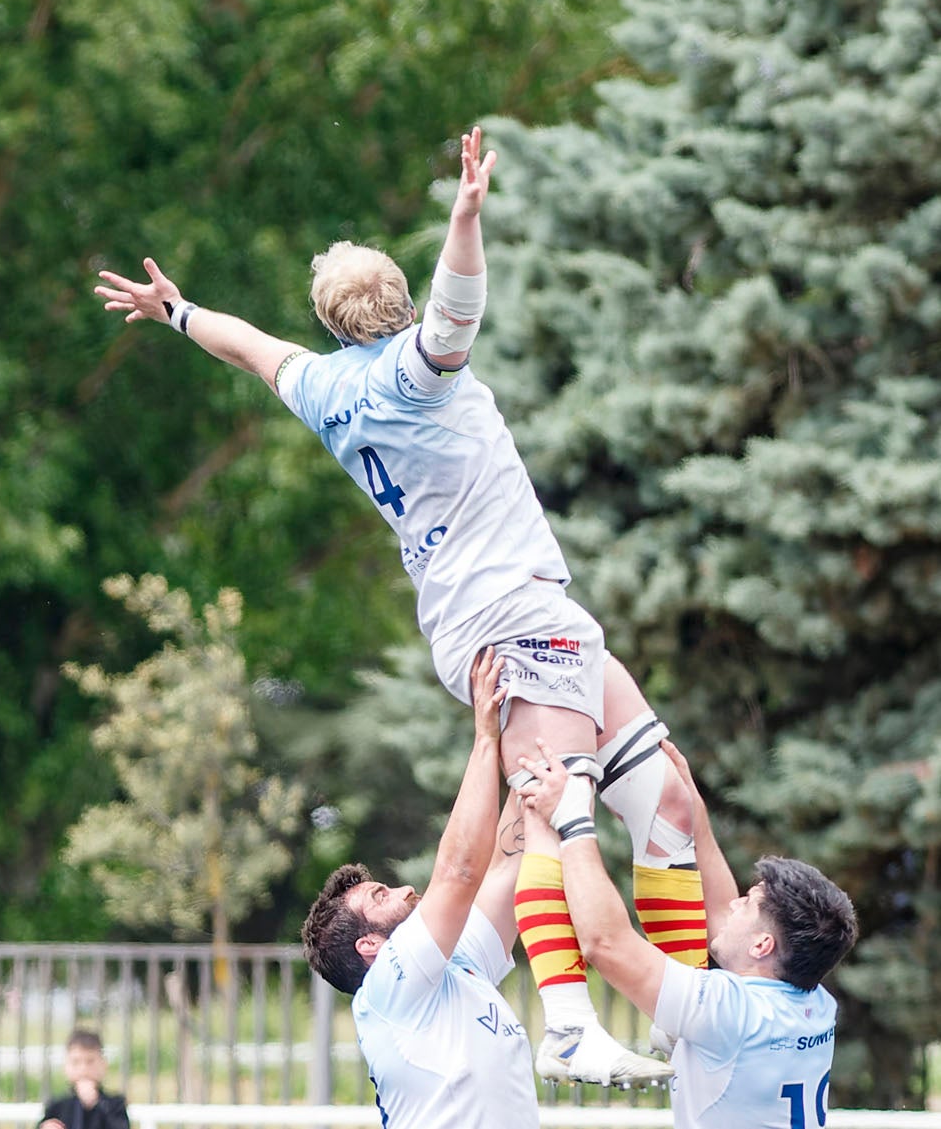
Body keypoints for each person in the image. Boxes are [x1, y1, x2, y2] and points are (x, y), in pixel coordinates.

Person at [96, 128, 685, 1084]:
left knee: (667, 796)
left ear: (332, 324)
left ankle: (677, 998)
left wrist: (176, 311)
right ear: (399, 307)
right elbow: (460, 303)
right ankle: (572, 1019)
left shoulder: (326, 384)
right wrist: (465, 214)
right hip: (506, 612)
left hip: (499, 608)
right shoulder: (417, 373)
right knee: (552, 809)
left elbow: (248, 349)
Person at [517, 736, 858, 1127]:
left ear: (763, 945)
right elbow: (720, 917)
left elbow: (606, 944)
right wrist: (696, 818)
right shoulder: (812, 1003)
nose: (734, 905)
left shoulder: (730, 1012)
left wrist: (572, 820)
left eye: (747, 903)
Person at [301, 647, 541, 1126]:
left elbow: (502, 869)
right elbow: (459, 873)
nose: (404, 889)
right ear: (369, 945)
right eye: (380, 896)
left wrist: (535, 746)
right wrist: (485, 737)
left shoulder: (455, 965)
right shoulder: (386, 989)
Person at [39, 1029, 130, 1129]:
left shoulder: (114, 1105)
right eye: (76, 1062)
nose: (83, 1069)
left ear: (103, 1064)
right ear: (66, 1066)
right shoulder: (57, 1105)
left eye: (90, 1061)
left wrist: (96, 1105)